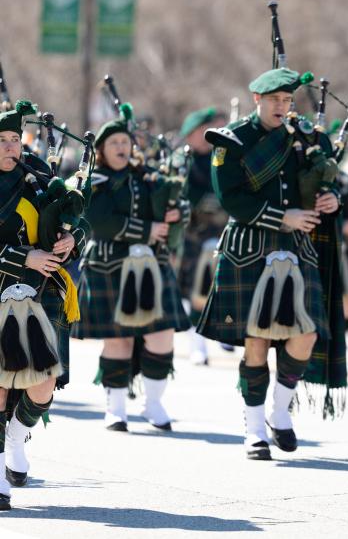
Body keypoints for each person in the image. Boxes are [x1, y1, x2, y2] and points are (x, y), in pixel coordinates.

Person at [196, 67, 346, 460]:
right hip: (249, 246)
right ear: (257, 99)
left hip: (297, 246)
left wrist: (330, 200)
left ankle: (280, 413)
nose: (282, 107)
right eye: (275, 100)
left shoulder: (306, 139)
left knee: (306, 333)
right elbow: (230, 198)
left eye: (287, 100)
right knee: (257, 340)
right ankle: (253, 429)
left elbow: (321, 183)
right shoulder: (232, 140)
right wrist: (282, 217)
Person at [74, 104, 190, 432]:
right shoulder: (94, 180)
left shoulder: (148, 177)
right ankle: (116, 407)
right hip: (109, 265)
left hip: (152, 264)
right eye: (114, 143)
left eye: (126, 142)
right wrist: (147, 230)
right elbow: (99, 221)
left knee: (162, 336)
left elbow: (171, 204)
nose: (122, 148)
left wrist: (174, 212)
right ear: (100, 149)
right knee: (118, 339)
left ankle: (153, 403)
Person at [0, 101, 86, 509]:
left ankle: (17, 436)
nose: (10, 147)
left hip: (39, 292)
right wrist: (23, 257)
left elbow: (71, 218)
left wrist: (72, 240)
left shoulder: (38, 176)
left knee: (42, 383)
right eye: (1, 140)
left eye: (15, 139)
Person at [174, 106, 230, 365]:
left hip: (221, 233)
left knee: (224, 286)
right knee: (196, 290)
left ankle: (226, 332)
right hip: (192, 236)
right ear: (190, 134)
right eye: (200, 132)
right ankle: (199, 345)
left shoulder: (220, 159)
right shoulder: (180, 161)